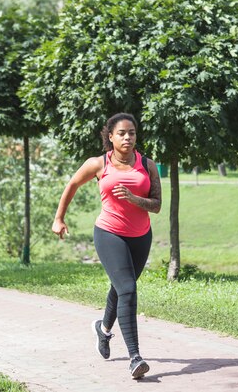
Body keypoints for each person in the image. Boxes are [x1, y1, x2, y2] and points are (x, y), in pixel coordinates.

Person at [52, 112, 162, 379]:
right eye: (122, 133)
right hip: (109, 233)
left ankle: (103, 328)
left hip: (140, 236)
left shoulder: (147, 165)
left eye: (132, 132)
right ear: (110, 137)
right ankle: (135, 357)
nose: (127, 137)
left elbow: (157, 205)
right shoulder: (98, 164)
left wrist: (135, 199)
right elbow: (72, 184)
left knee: (121, 287)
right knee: (128, 288)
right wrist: (59, 218)